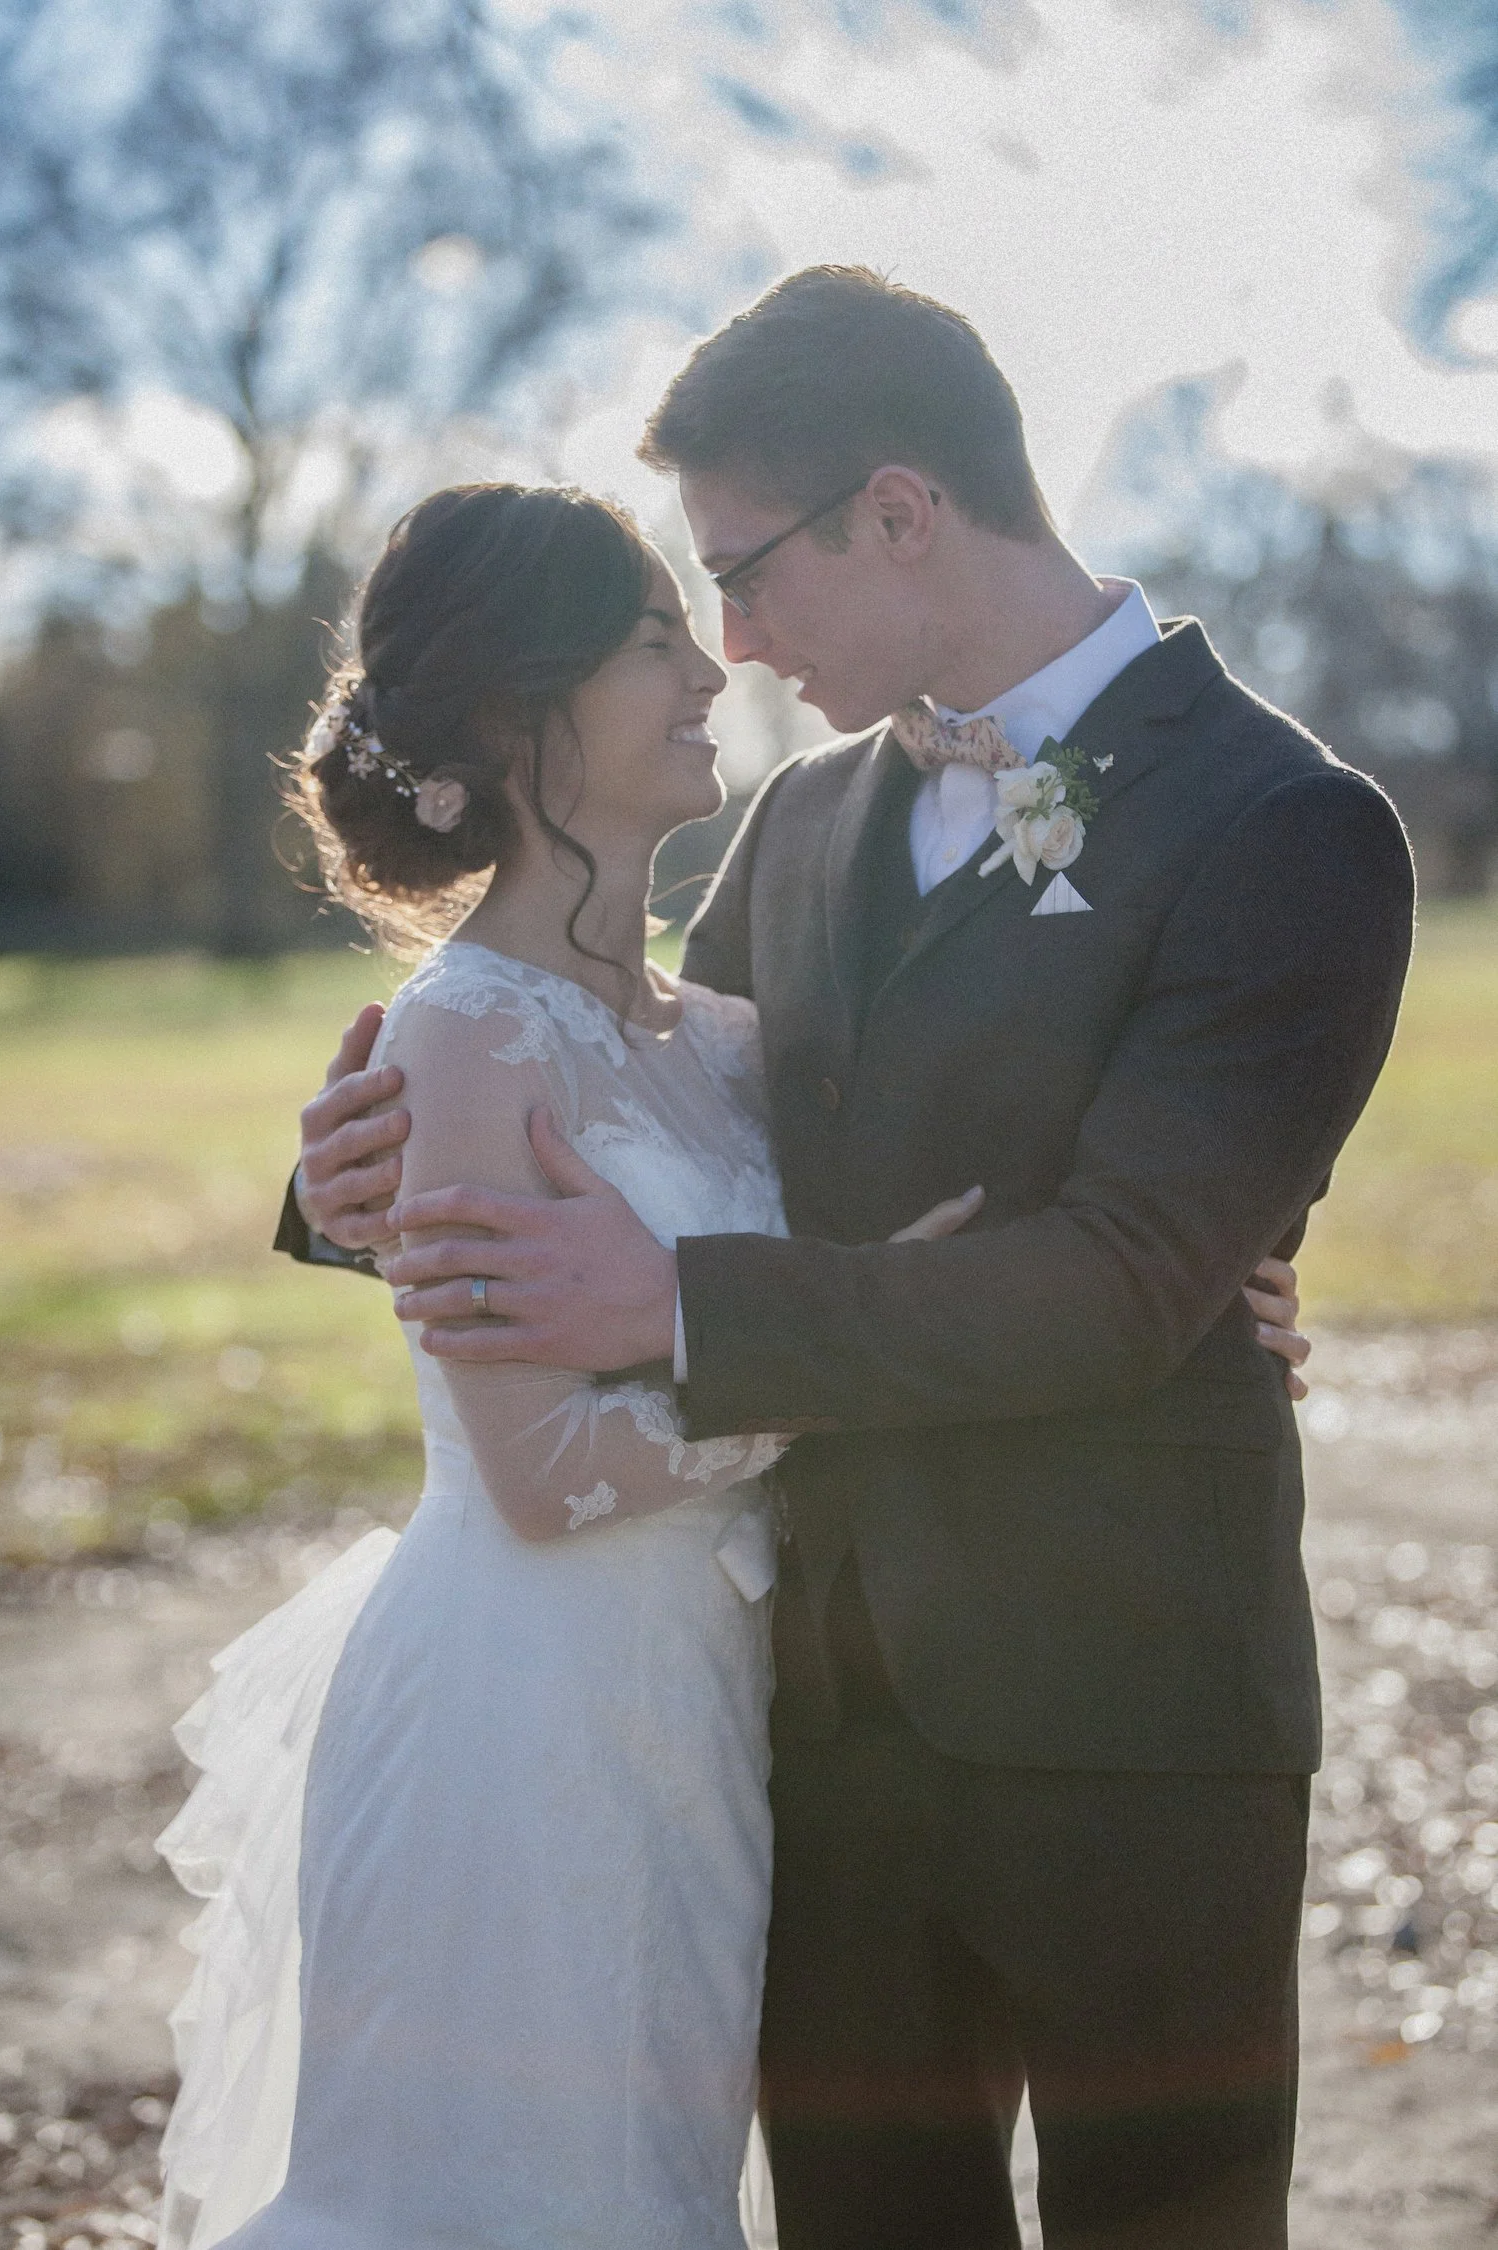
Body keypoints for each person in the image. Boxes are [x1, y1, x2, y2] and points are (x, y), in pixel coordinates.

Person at [294, 269, 1413, 2250]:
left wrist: (681, 1314)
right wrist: (354, 1162)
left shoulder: (1287, 823)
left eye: (743, 574)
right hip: (807, 1716)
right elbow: (658, 1084)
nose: (731, 643)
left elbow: (1128, 1275)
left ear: (898, 513)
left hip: (1131, 1710)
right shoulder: (805, 821)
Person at [162, 480, 972, 2248]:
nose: (709, 667)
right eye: (651, 635)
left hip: (692, 1702)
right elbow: (544, 1477)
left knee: (650, 2185)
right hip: (519, 1707)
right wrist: (837, 1368)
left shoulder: (730, 1038)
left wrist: (1216, 1277)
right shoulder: (457, 1034)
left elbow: (932, 1219)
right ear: (527, 712)